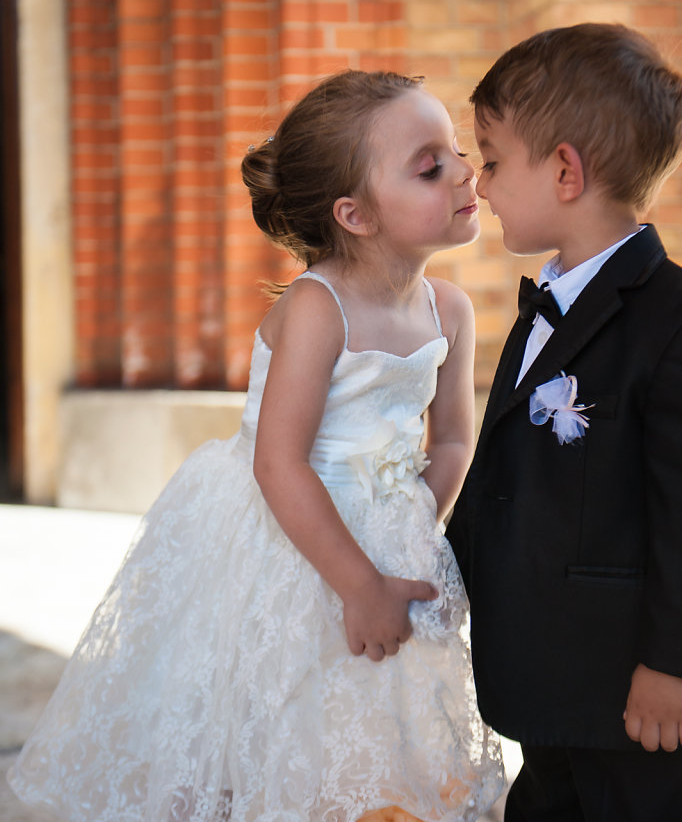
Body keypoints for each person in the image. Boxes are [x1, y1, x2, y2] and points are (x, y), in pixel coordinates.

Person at [10, 70, 504, 822]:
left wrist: (409, 531)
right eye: (430, 165)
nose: (465, 170)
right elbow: (279, 461)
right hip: (284, 533)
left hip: (380, 541)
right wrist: (359, 583)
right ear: (356, 215)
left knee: (365, 722)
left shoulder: (451, 310)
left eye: (458, 150)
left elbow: (454, 437)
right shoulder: (319, 308)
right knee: (269, 715)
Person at [446, 23, 682, 822]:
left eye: (491, 158)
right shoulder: (543, 307)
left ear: (565, 170)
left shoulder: (670, 320)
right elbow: (499, 475)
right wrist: (441, 582)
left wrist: (670, 666)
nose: (479, 184)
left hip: (630, 699)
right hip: (547, 678)